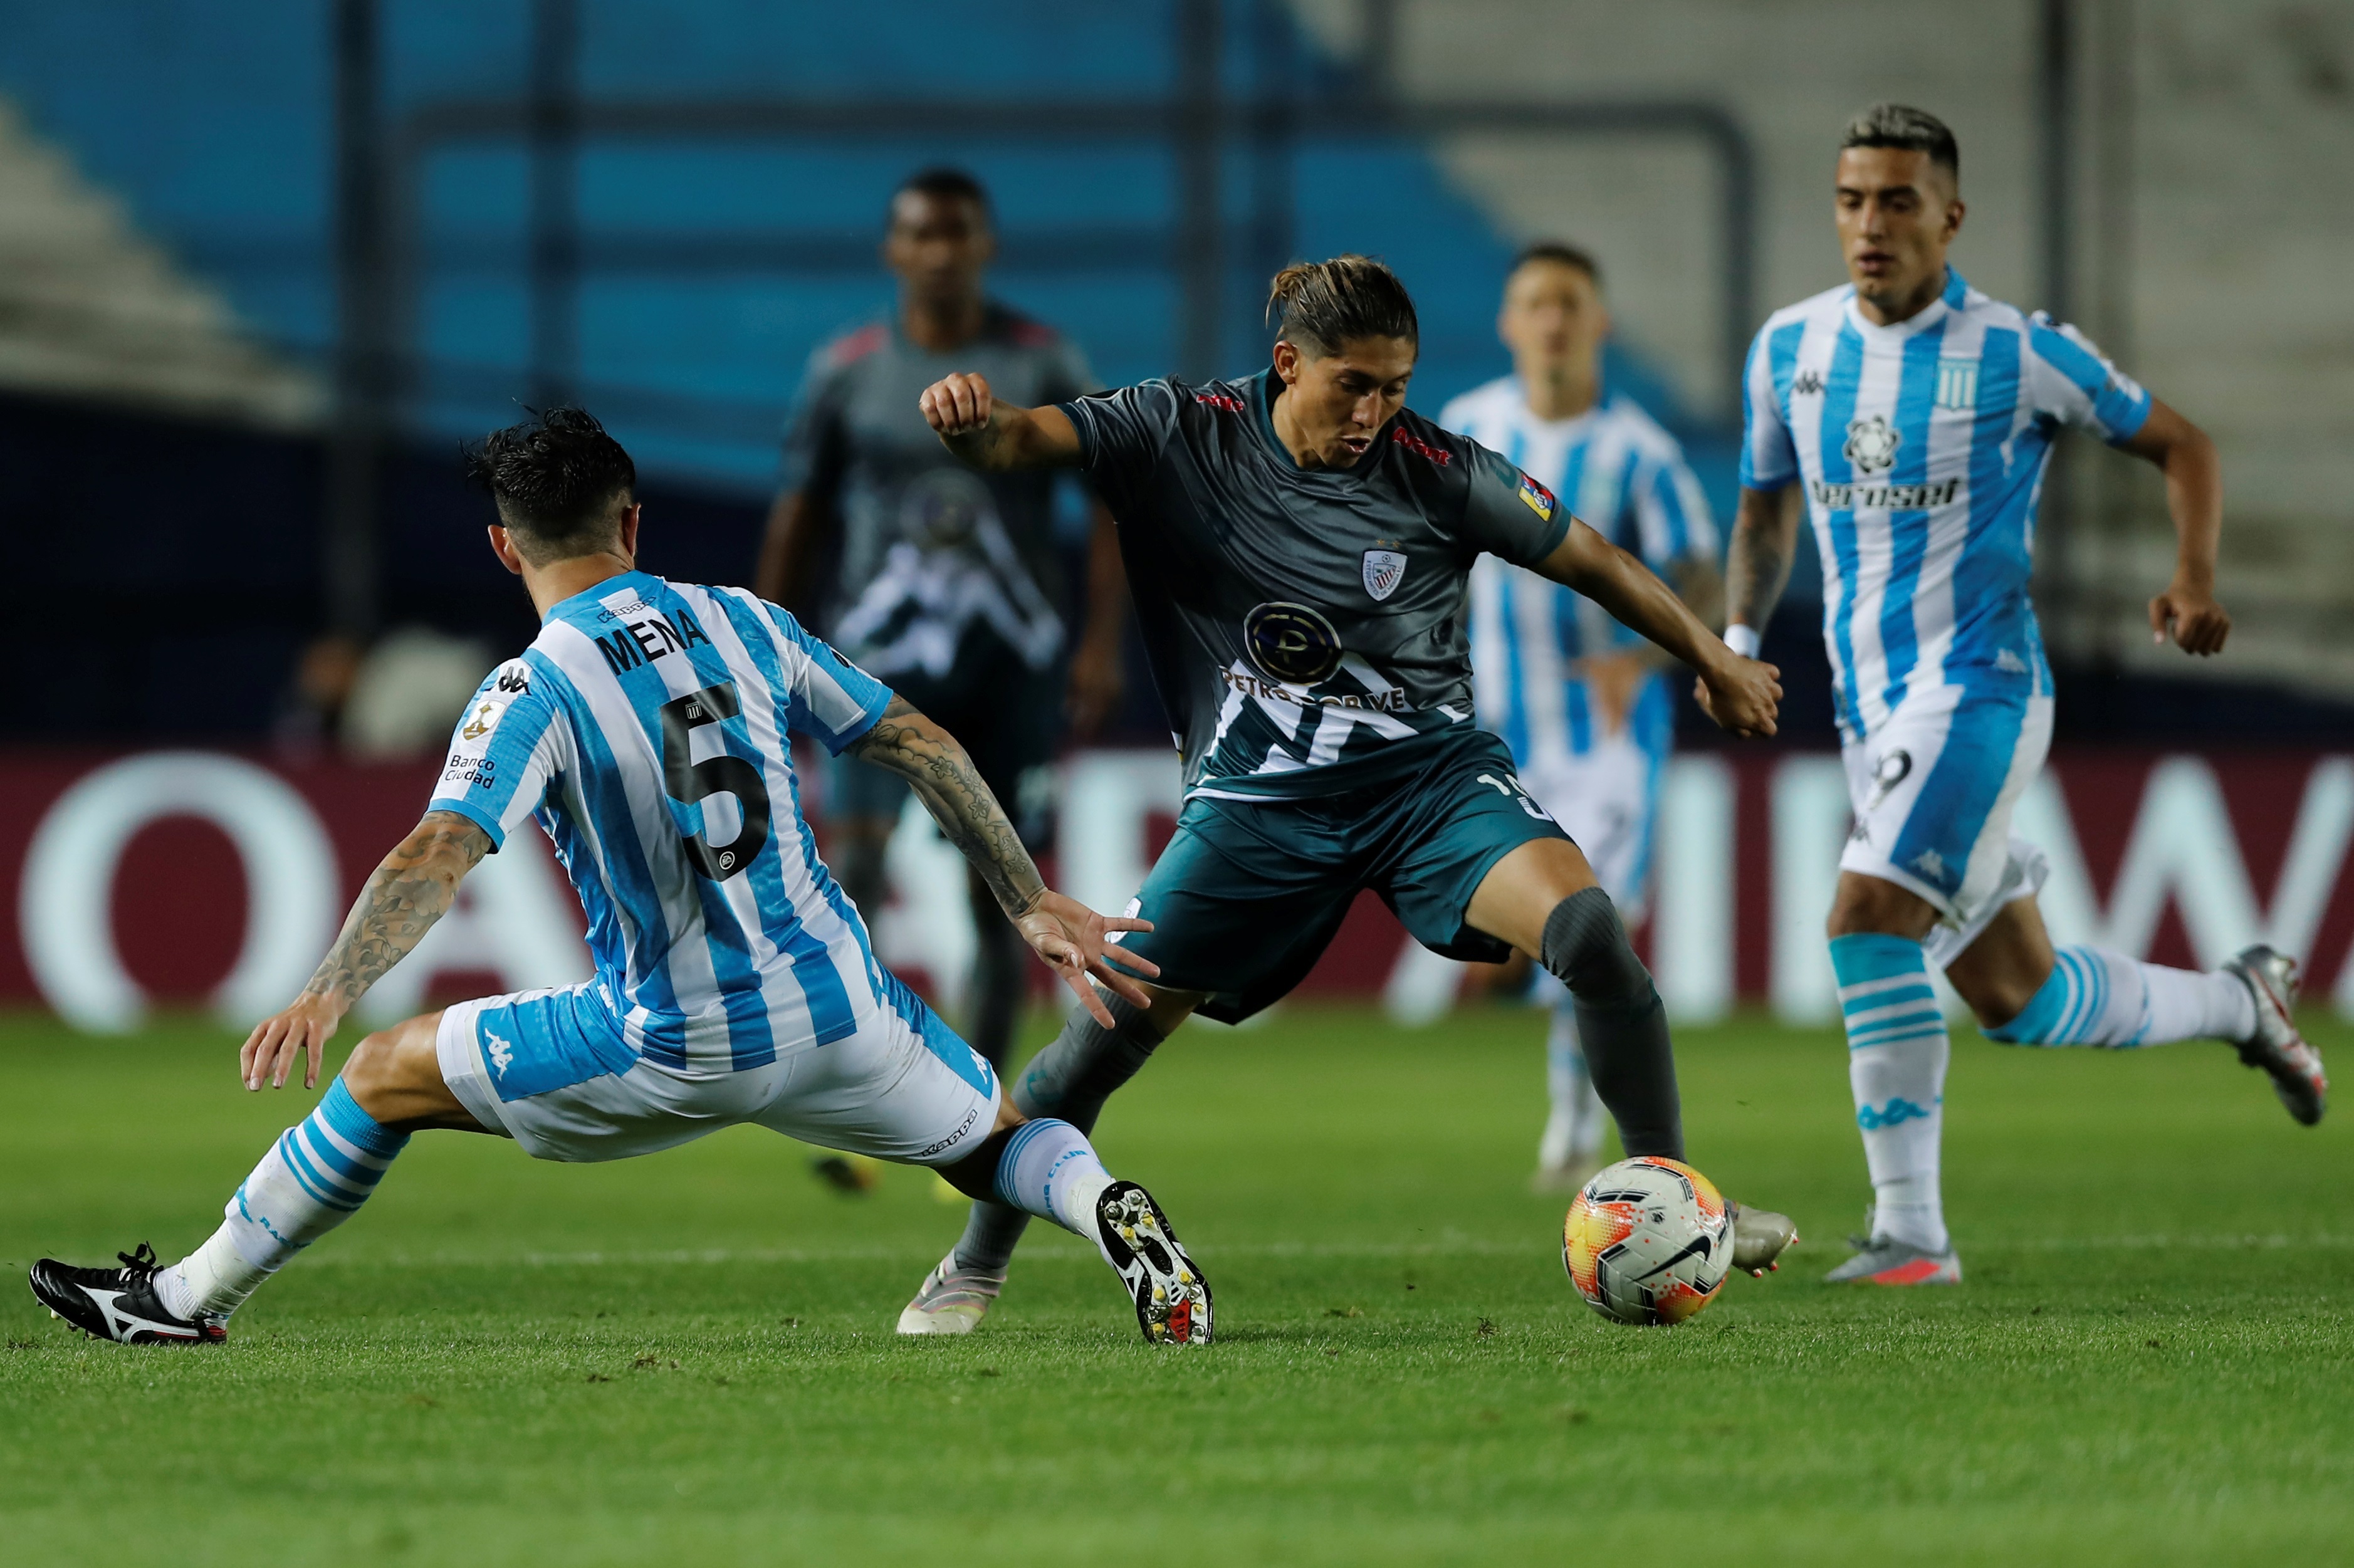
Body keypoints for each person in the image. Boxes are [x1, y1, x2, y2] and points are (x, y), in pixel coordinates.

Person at [28, 407, 1210, 1347]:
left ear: (503, 546)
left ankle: (182, 1300)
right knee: (999, 1138)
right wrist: (1028, 898)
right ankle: (1105, 1205)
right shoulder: (748, 620)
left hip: (674, 1041)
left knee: (385, 1074)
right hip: (843, 1008)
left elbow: (440, 849)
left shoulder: (532, 687)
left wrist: (333, 986)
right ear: (633, 522)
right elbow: (920, 740)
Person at [892, 254, 1797, 1336]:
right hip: (1256, 805)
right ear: (1288, 365)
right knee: (1100, 1039)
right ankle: (974, 1263)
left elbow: (1590, 558)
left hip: (1428, 783)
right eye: (1353, 385)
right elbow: (1026, 437)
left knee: (1590, 930)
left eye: (1396, 387)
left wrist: (1716, 658)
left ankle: (1680, 1201)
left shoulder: (1438, 467)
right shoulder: (1179, 433)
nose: (1375, 411)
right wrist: (972, 424)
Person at [1725, 104, 2327, 1288]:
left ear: (1952, 216)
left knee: (1863, 922)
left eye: (1898, 201)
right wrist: (1738, 638)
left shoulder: (2020, 352)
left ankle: (1912, 1236)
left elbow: (2184, 445)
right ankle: (2242, 1002)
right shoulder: (1786, 347)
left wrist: (2192, 578)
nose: (1870, 225)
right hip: (1869, 709)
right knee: (2020, 995)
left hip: (1980, 687)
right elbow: (1762, 505)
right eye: (1852, 200)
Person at [757, 167, 1127, 1111]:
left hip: (1012, 665)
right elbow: (798, 513)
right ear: (894, 249)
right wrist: (757, 643)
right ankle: (865, 1084)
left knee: (1001, 892)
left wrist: (1099, 644)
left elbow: (1114, 501)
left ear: (985, 244)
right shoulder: (845, 368)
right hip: (876, 671)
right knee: (860, 868)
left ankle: (987, 1103)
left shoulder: (1043, 361)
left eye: (957, 234)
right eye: (921, 235)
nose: (940, 252)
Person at [1439, 243, 1723, 1193]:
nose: (1553, 320)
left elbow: (1700, 571)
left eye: (1569, 303)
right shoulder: (1466, 427)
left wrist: (1644, 656)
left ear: (1600, 321)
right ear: (1509, 324)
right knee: (1543, 934)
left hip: (1609, 739)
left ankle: (1569, 1125)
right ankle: (1513, 977)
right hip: (1491, 734)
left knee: (1590, 921)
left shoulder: (1640, 449)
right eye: (1535, 303)